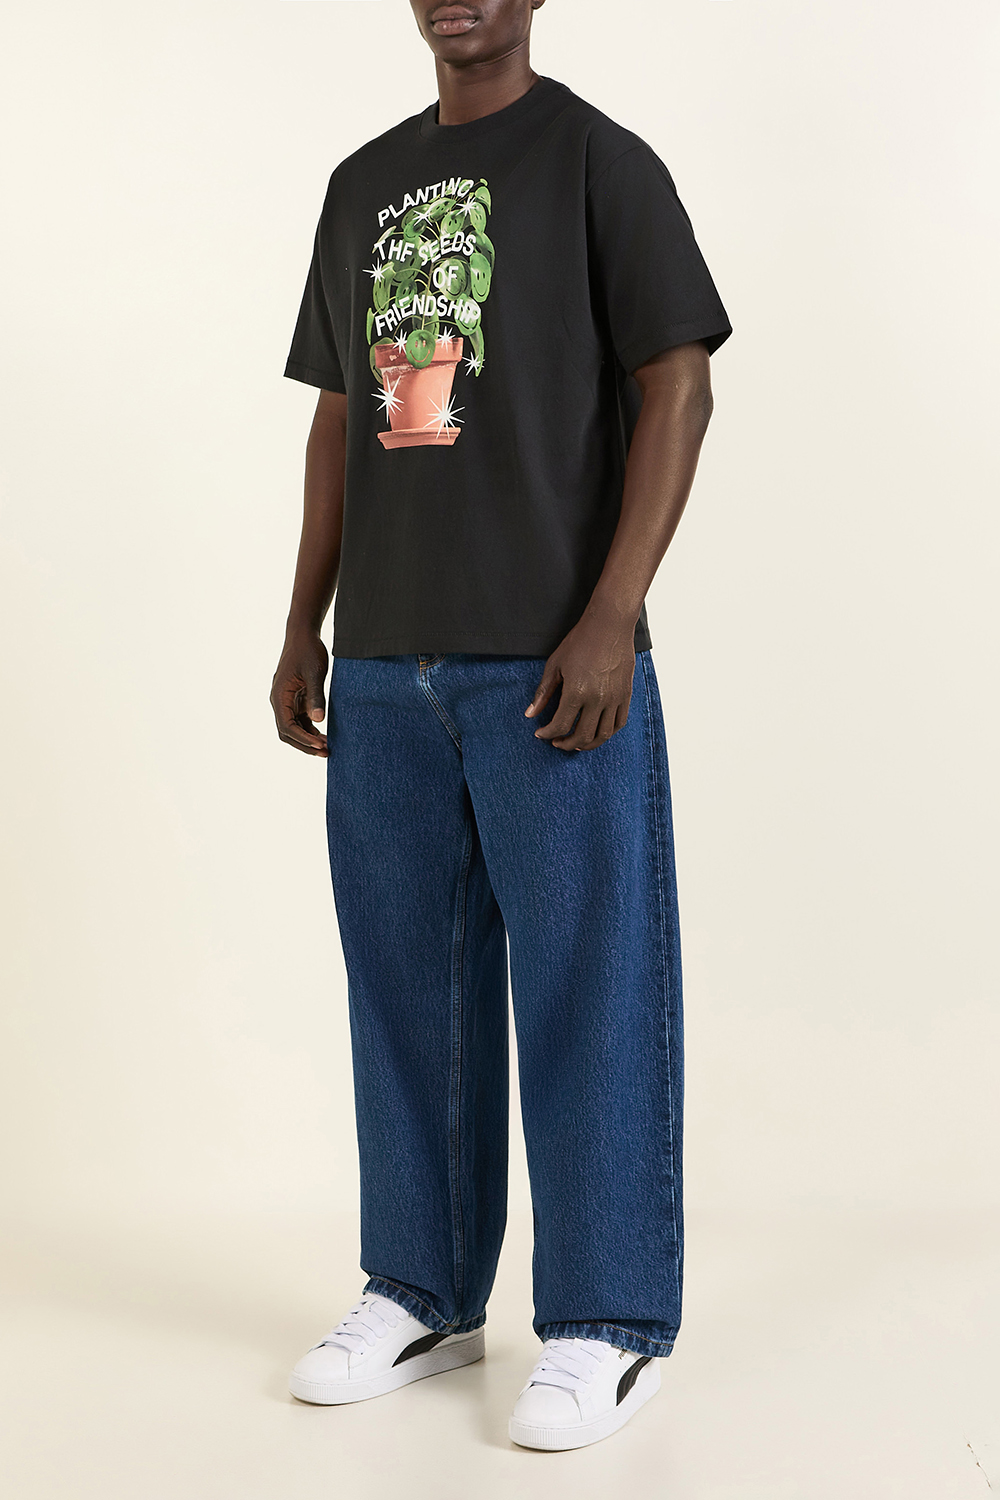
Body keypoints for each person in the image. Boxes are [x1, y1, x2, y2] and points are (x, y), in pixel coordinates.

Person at [270, 0, 731, 1453]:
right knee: (407, 990)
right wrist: (305, 620)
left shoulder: (601, 164)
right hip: (385, 662)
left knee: (591, 982)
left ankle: (606, 1319)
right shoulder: (363, 183)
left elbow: (679, 380)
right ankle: (422, 1290)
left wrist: (612, 612)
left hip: (549, 661)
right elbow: (341, 415)